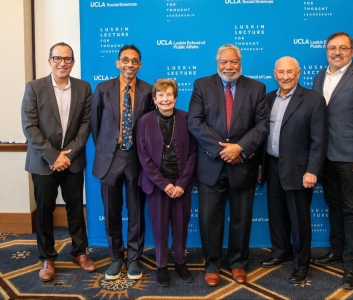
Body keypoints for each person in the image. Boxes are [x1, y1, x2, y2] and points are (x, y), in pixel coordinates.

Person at [188, 44, 269, 287]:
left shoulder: (256, 88)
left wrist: (240, 148)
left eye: (233, 62)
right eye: (224, 62)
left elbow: (262, 125)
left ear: (240, 63)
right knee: (209, 219)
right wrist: (223, 149)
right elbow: (195, 122)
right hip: (211, 165)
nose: (229, 66)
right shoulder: (202, 85)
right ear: (217, 63)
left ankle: (237, 263)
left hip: (243, 164)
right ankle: (212, 264)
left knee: (241, 218)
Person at [21, 42, 96, 281]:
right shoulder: (34, 87)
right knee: (44, 211)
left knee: (76, 208)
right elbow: (30, 126)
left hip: (72, 161)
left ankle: (79, 252)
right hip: (43, 162)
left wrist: (68, 155)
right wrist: (54, 156)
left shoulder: (84, 88)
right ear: (50, 61)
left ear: (73, 62)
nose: (62, 63)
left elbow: (86, 125)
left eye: (67, 59)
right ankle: (47, 258)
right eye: (57, 58)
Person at [312, 32, 353, 289]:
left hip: (352, 158)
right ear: (326, 50)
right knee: (334, 204)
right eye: (332, 48)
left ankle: (352, 263)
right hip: (326, 157)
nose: (337, 52)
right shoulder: (320, 77)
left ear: (352, 51)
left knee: (352, 209)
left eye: (342, 48)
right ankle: (337, 250)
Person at [258, 56, 328, 284]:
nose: (286, 76)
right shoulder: (267, 99)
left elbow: (319, 140)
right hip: (271, 165)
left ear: (298, 73)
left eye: (290, 72)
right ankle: (281, 252)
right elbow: (261, 135)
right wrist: (260, 166)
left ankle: (302, 263)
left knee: (299, 219)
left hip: (299, 170)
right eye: (281, 72)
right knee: (276, 214)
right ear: (274, 74)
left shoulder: (313, 100)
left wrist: (312, 170)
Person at [90, 44, 154, 280]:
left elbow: (150, 127)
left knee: (136, 210)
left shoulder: (148, 91)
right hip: (110, 157)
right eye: (125, 60)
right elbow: (95, 125)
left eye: (134, 61)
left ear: (140, 65)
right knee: (111, 211)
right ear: (118, 63)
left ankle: (134, 259)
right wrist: (108, 147)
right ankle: (116, 258)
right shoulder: (103, 89)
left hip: (137, 159)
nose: (130, 64)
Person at [137, 79, 197, 287]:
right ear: (154, 99)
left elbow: (192, 153)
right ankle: (161, 266)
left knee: (181, 226)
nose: (165, 99)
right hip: (156, 185)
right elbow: (143, 156)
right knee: (160, 227)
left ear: (176, 97)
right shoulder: (144, 121)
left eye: (169, 95)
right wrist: (164, 185)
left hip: (182, 184)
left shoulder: (186, 118)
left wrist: (181, 183)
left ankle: (180, 262)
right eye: (160, 95)